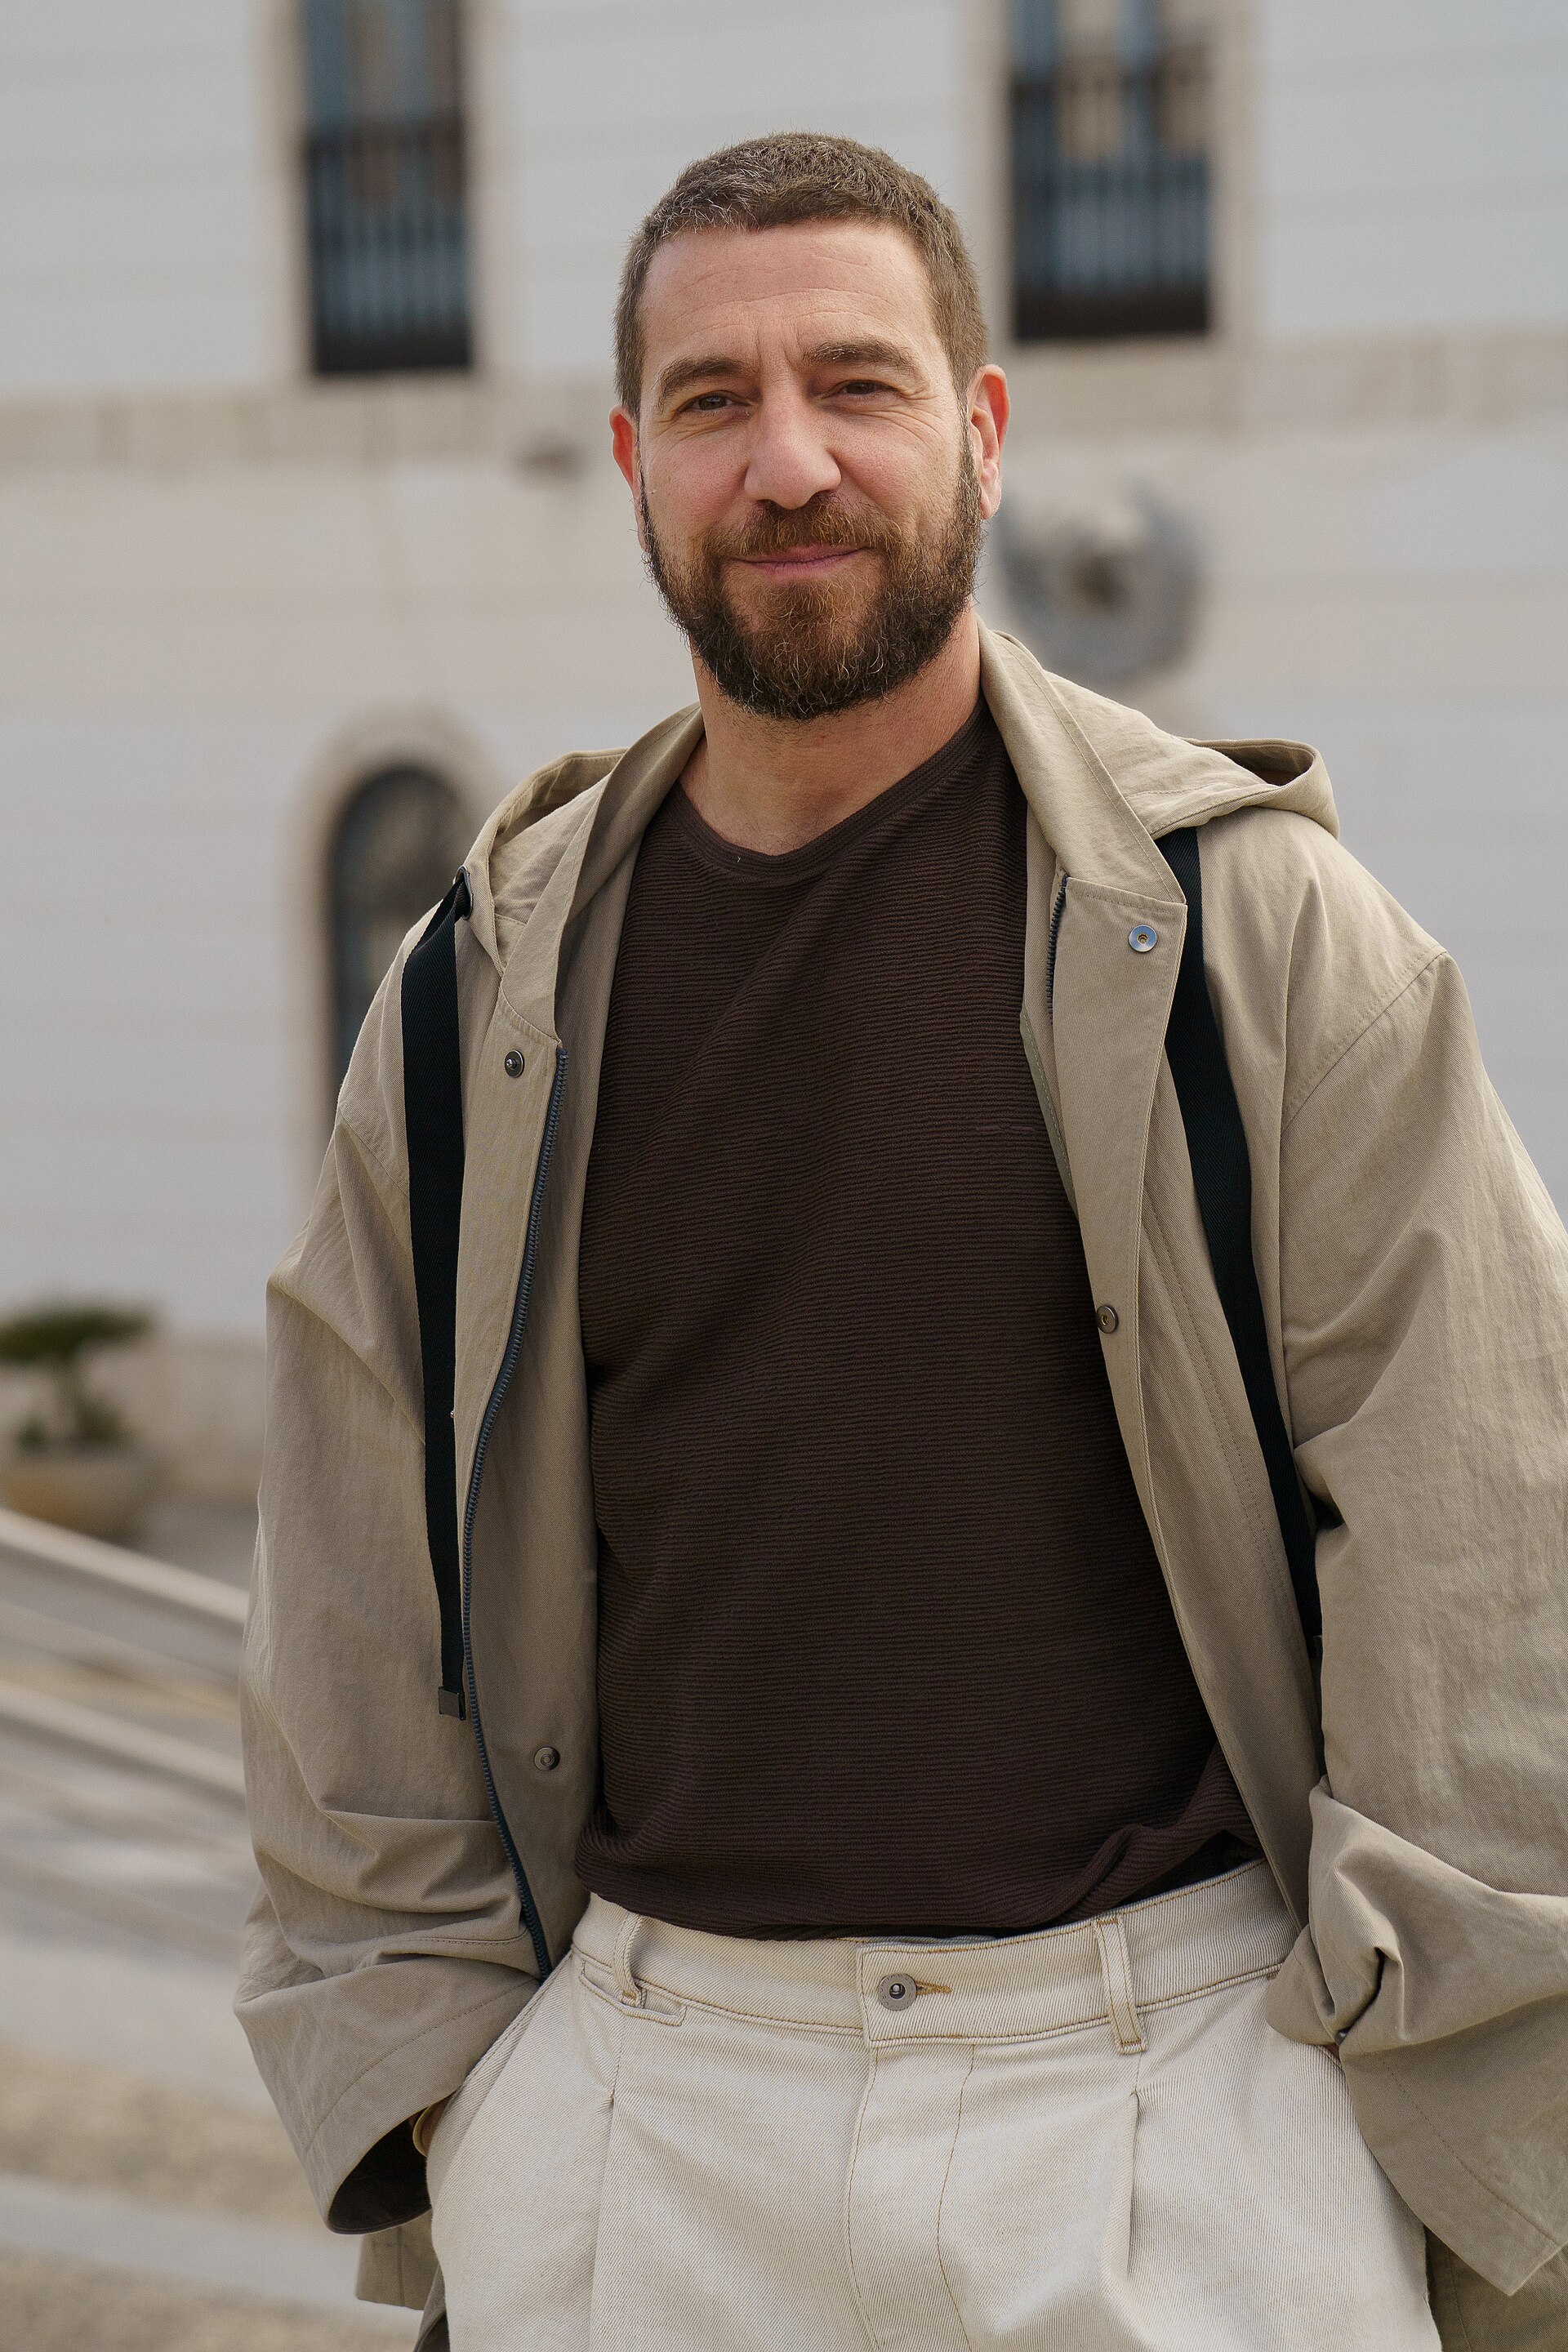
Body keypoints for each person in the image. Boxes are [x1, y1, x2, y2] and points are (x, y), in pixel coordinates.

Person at [238, 134, 1568, 2352]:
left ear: (982, 422)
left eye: (856, 384)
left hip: (1176, 2102)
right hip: (640, 2105)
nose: (787, 464)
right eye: (710, 403)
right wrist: (460, 2104)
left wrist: (1431, 2115)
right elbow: (347, 1593)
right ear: (630, 462)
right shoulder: (481, 990)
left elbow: (1493, 1546)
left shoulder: (1252, 927)